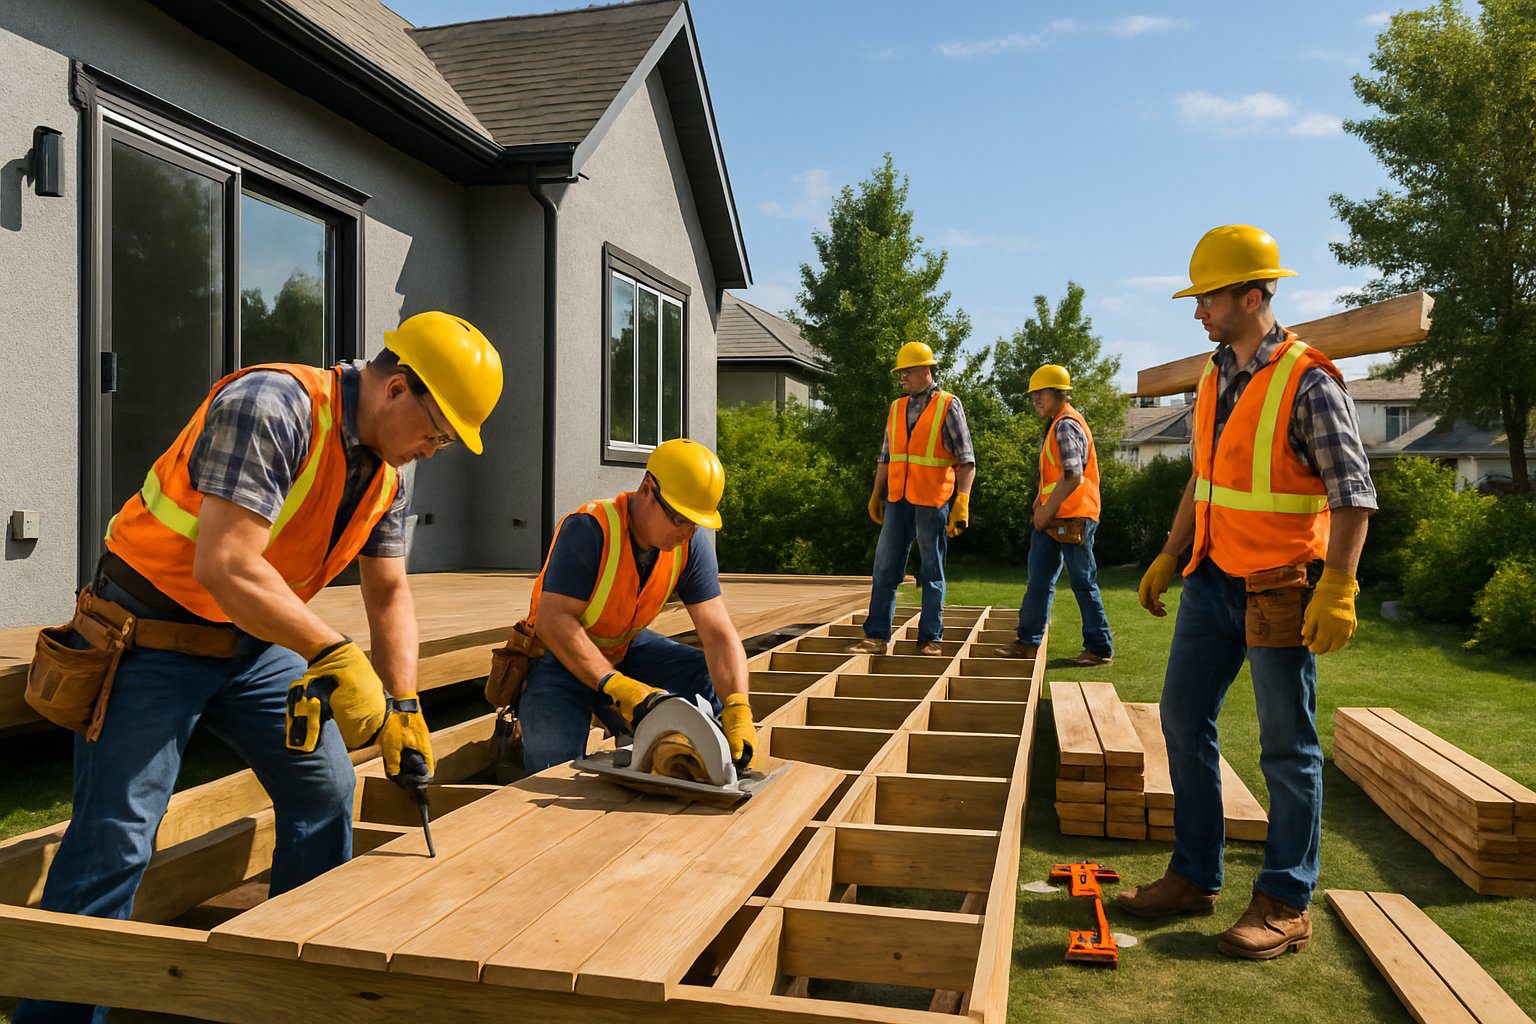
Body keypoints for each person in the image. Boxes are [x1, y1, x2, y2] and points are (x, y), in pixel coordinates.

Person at [18, 312, 503, 1023]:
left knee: (326, 794)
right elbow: (225, 564)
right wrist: (333, 653)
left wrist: (405, 705)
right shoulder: (272, 407)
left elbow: (390, 589)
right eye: (438, 433)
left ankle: (292, 990)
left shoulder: (390, 475)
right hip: (147, 636)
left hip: (253, 644)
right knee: (117, 839)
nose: (435, 450)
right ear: (398, 387)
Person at [1115, 225, 1373, 961]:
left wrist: (1341, 586)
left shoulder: (1310, 381)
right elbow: (1205, 478)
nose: (1199, 312)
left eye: (1210, 298)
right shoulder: (1212, 373)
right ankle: (1194, 876)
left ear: (1253, 295)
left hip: (1282, 588)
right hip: (1211, 579)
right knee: (1181, 718)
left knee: (1287, 749)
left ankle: (1286, 901)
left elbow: (1353, 493)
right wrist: (1169, 552)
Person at [515, 439, 757, 778]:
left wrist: (737, 705)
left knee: (702, 674)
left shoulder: (689, 546)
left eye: (695, 523)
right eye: (678, 518)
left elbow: (718, 632)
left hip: (623, 647)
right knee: (553, 768)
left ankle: (713, 760)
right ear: (647, 490)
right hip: (558, 655)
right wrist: (617, 686)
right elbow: (554, 622)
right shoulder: (589, 528)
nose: (686, 532)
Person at [846, 342, 976, 656]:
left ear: (924, 369)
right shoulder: (896, 407)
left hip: (932, 501)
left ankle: (931, 638)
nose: (902, 376)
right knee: (885, 568)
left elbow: (966, 459)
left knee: (931, 571)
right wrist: (876, 494)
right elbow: (885, 457)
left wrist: (962, 500)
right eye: (900, 372)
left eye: (906, 370)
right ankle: (876, 636)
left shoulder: (948, 404)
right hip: (897, 500)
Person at [993, 364, 1113, 666]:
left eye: (1040, 394)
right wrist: (1040, 500)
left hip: (1072, 517)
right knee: (1039, 580)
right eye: (1033, 395)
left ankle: (1099, 648)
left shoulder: (1065, 425)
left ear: (1059, 393)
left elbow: (1074, 476)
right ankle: (1027, 641)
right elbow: (1058, 474)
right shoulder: (1057, 422)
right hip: (1058, 517)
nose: (1035, 400)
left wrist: (1046, 509)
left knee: (1082, 582)